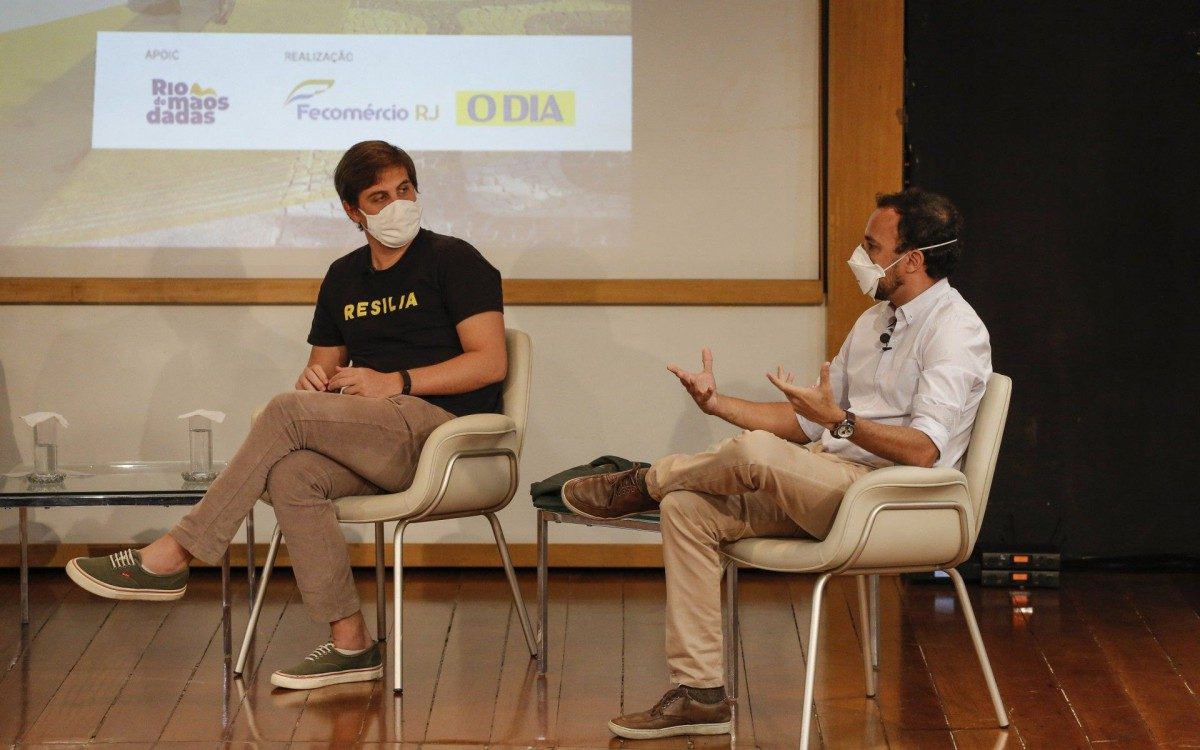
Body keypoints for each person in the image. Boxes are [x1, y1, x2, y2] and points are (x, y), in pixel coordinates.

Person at [65, 140, 507, 690]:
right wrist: (315, 382)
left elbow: (490, 362)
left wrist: (395, 381)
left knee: (284, 413)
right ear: (354, 212)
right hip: (373, 436)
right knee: (291, 473)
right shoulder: (344, 277)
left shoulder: (453, 259)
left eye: (405, 190)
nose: (398, 204)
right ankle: (351, 643)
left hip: (439, 432)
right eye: (380, 196)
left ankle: (177, 551)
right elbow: (319, 370)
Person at [560, 188, 992, 740]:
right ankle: (700, 694)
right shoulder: (873, 321)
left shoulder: (956, 330)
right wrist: (718, 405)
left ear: (912, 259)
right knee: (688, 507)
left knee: (753, 455)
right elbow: (807, 424)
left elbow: (925, 449)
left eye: (871, 246)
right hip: (831, 482)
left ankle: (645, 479)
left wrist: (842, 423)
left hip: (893, 502)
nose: (858, 258)